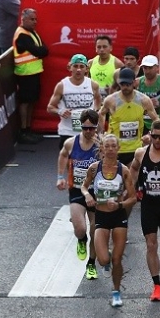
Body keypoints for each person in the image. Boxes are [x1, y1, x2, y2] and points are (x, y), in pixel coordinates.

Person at [128, 118, 160, 301]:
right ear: (149, 135)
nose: (157, 141)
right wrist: (131, 188)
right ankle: (157, 285)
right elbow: (133, 170)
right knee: (151, 245)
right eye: (154, 136)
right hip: (148, 204)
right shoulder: (141, 153)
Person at [81, 134, 136, 308]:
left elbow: (133, 198)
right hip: (101, 217)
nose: (111, 149)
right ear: (102, 149)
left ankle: (116, 291)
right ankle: (108, 259)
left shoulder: (124, 171)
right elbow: (83, 186)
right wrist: (88, 195)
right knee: (104, 259)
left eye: (114, 146)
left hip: (118, 217)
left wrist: (119, 204)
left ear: (118, 148)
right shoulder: (94, 169)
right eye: (108, 146)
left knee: (118, 260)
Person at [56, 109, 100, 278]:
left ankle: (91, 265)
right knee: (80, 228)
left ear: (96, 127)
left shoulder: (100, 144)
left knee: (95, 231)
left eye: (91, 128)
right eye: (85, 128)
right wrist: (60, 177)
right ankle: (81, 240)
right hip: (76, 189)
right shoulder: (70, 143)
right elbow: (62, 156)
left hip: (96, 192)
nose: (88, 132)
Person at [12, 8, 48, 143]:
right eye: (32, 19)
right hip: (25, 73)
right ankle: (23, 131)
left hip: (34, 72)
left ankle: (28, 128)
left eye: (35, 19)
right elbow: (39, 51)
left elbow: (44, 49)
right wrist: (41, 50)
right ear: (23, 19)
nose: (35, 22)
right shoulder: (22, 35)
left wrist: (41, 50)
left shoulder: (31, 32)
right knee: (25, 102)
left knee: (32, 101)